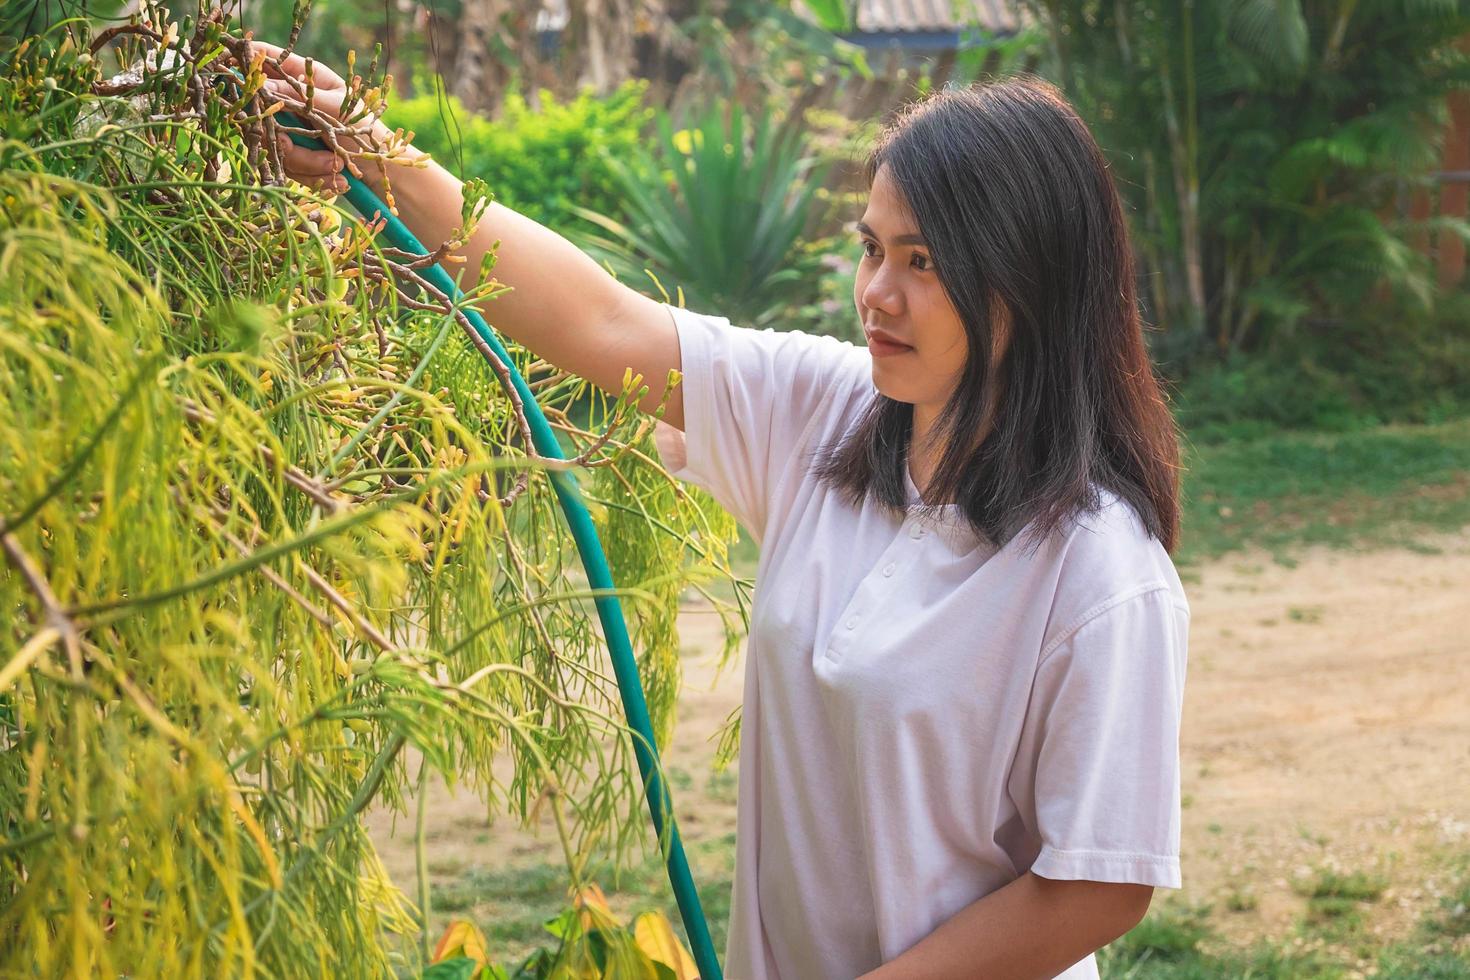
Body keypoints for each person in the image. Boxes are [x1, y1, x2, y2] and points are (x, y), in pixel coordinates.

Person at [262, 43, 1190, 980]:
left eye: (925, 262)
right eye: (871, 248)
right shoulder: (829, 414)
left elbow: (1096, 886)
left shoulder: (1100, 569)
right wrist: (370, 148)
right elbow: (604, 322)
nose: (877, 294)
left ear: (1026, 281)